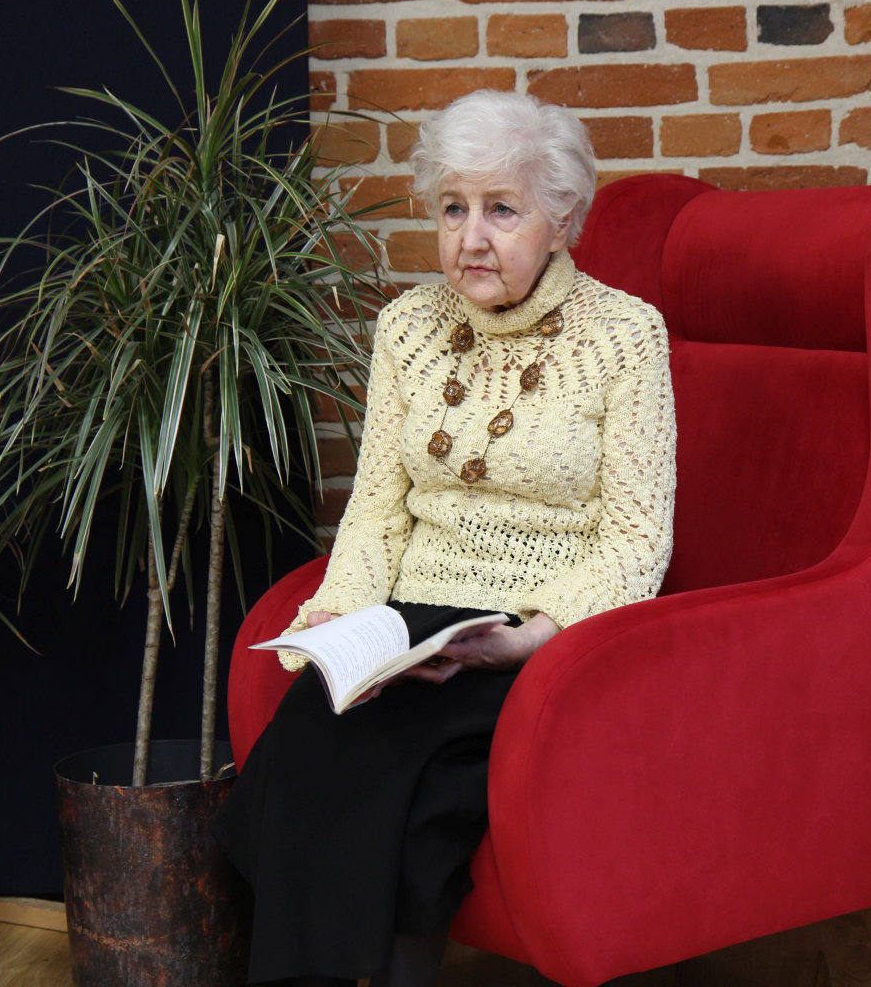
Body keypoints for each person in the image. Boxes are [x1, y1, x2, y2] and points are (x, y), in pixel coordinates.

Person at [213, 89, 677, 987]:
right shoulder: (408, 327)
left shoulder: (626, 336)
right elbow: (377, 510)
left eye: (502, 209)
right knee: (308, 745)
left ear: (562, 220)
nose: (471, 238)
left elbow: (636, 540)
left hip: (538, 635)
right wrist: (341, 619)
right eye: (453, 208)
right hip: (408, 629)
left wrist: (523, 639)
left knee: (414, 797)